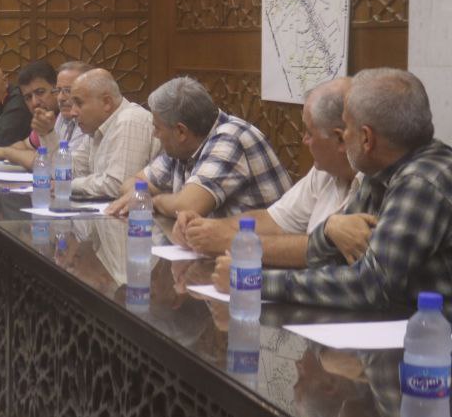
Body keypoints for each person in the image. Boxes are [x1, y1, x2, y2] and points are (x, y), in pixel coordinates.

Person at [213, 69, 452, 309]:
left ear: (366, 138)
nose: (344, 137)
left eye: (347, 127)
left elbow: (370, 285)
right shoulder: (380, 170)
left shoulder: (422, 181)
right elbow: (335, 255)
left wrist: (252, 281)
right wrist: (329, 230)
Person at [176, 78, 358, 268]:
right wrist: (205, 228)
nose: (304, 140)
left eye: (310, 133)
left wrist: (232, 242)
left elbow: (328, 255)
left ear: (340, 139)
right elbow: (274, 220)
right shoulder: (325, 171)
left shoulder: (374, 184)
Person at [107, 75, 291, 219]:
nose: (155, 134)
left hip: (258, 251)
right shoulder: (183, 147)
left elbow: (188, 207)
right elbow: (132, 183)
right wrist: (142, 195)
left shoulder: (230, 138)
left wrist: (152, 201)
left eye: (157, 128)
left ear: (181, 131)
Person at [66, 68, 159, 200]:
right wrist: (47, 134)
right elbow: (72, 171)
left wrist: (69, 185)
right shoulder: (95, 126)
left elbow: (117, 185)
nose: (72, 112)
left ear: (107, 103)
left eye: (79, 103)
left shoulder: (131, 119)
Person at [0, 60, 91, 167]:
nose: (35, 102)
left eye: (40, 92)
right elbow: (27, 145)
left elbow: (56, 165)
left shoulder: (84, 121)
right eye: (59, 91)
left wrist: (6, 153)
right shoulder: (60, 117)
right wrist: (1, 151)